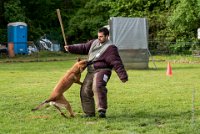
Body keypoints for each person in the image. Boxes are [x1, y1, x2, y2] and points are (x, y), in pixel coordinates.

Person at [64, 27, 128, 118]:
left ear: (107, 36)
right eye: (98, 36)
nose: (99, 38)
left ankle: (102, 110)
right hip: (91, 70)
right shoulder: (94, 42)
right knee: (85, 90)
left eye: (101, 36)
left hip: (103, 70)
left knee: (97, 86)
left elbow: (116, 62)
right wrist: (70, 48)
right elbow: (83, 47)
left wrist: (123, 76)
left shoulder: (111, 48)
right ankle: (89, 113)